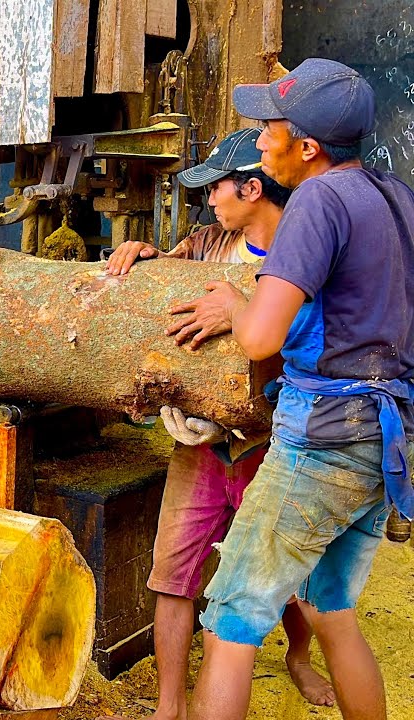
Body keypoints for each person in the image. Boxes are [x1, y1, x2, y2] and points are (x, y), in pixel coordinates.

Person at [167, 58, 414, 720]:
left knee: (232, 621)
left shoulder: (317, 202)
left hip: (321, 441)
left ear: (307, 147)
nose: (263, 138)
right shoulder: (394, 195)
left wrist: (231, 304)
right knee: (331, 609)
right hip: (383, 439)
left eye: (272, 126)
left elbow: (260, 339)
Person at [105, 129, 333, 719]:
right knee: (172, 573)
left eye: (216, 188)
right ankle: (169, 705)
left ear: (252, 189)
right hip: (200, 445)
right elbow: (166, 275)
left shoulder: (305, 250)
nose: (208, 200)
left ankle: (299, 659)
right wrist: (144, 257)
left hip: (276, 444)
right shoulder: (208, 242)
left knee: (293, 584)